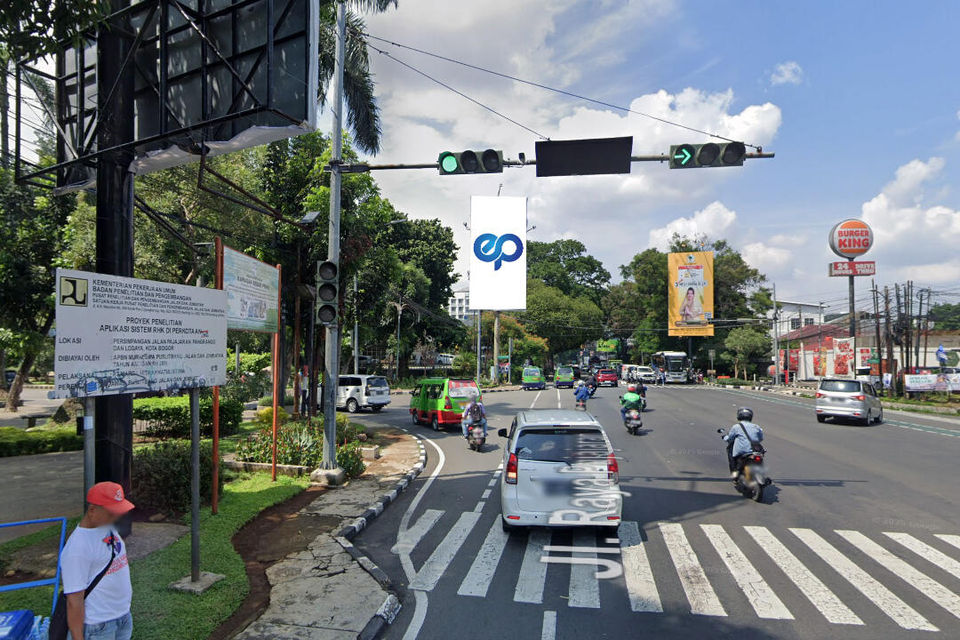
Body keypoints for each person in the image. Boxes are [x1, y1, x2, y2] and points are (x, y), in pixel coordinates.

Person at [61, 482, 135, 640]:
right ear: (92, 510)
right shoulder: (77, 549)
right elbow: (74, 601)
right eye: (111, 513)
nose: (116, 517)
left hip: (122, 616)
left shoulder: (106, 527)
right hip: (98, 626)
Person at [721, 407, 764, 478]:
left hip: (742, 451)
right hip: (755, 450)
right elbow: (760, 438)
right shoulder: (756, 427)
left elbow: (730, 438)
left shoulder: (736, 427)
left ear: (739, 416)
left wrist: (725, 437)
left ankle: (735, 474)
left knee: (730, 453)